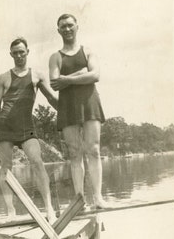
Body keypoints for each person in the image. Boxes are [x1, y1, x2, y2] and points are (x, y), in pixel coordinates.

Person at [0, 37, 57, 223]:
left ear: (27, 52)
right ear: (11, 54)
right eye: (16, 53)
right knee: (6, 167)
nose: (19, 55)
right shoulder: (2, 78)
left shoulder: (37, 75)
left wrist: (66, 112)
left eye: (22, 52)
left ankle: (49, 209)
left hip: (26, 127)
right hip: (5, 126)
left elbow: (52, 99)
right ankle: (11, 212)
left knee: (37, 162)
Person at [49, 14, 109, 208]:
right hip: (67, 106)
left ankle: (98, 198)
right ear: (58, 30)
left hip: (90, 101)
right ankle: (79, 201)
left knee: (93, 149)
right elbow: (55, 83)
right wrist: (82, 74)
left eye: (70, 25)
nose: (67, 29)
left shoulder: (88, 51)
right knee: (74, 153)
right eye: (63, 27)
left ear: (77, 27)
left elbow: (96, 75)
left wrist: (68, 79)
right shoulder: (55, 57)